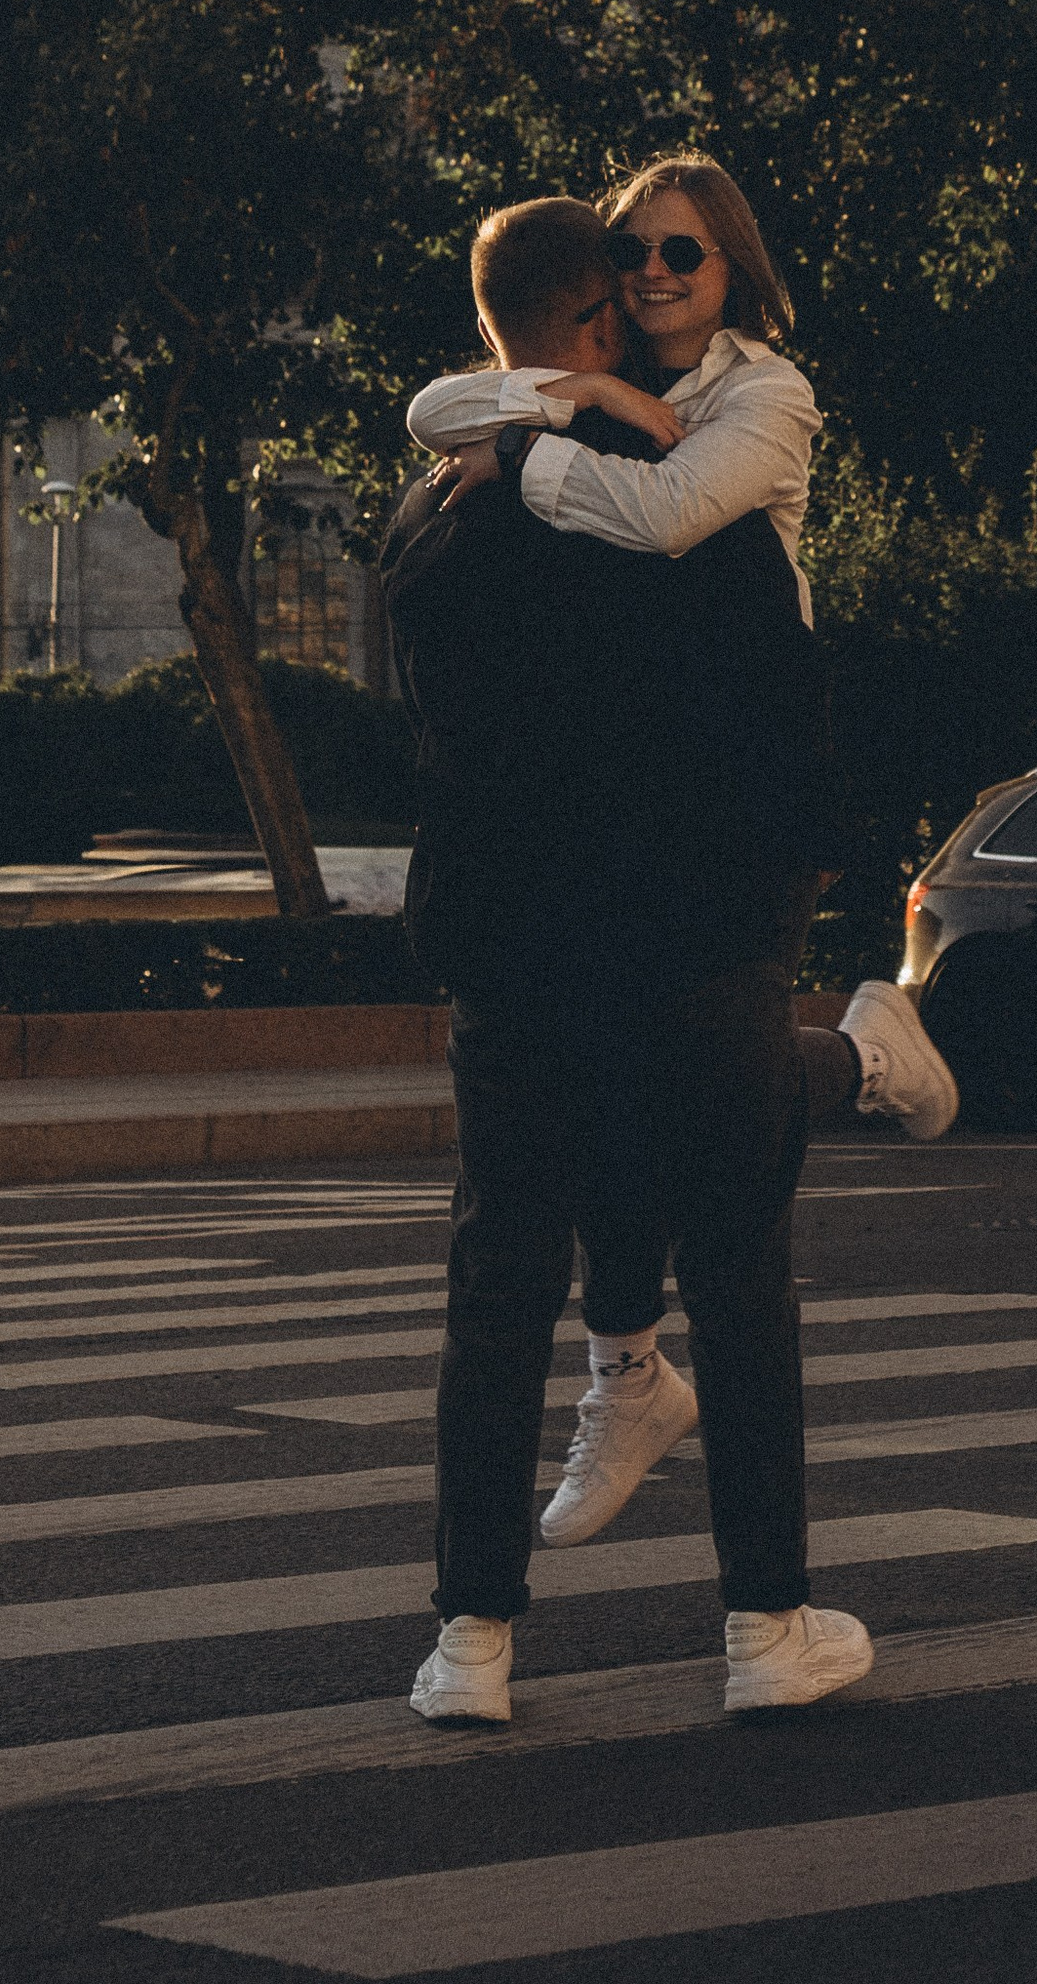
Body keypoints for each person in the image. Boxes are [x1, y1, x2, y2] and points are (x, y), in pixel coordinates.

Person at [382, 175, 954, 1738]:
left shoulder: (430, 505)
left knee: (498, 1280)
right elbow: (767, 681)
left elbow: (429, 733)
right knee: (743, 1275)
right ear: (592, 315)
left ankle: (471, 1645)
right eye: (626, 276)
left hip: (507, 934)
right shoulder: (662, 464)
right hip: (685, 917)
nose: (650, 291)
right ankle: (768, 1623)